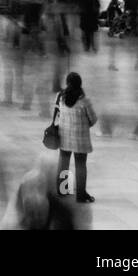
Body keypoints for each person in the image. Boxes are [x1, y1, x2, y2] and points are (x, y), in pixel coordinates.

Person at [54, 71, 97, 203]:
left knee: (63, 162)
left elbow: (56, 114)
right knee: (80, 165)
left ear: (67, 83)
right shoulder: (84, 101)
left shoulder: (60, 97)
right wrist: (85, 125)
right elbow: (93, 119)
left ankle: (63, 190)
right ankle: (81, 194)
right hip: (80, 138)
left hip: (64, 135)